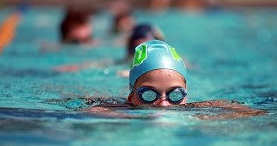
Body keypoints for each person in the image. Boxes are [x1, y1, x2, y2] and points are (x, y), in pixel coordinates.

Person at [82, 40, 265, 119]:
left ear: (186, 95)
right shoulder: (117, 110)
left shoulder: (195, 112)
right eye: (149, 94)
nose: (163, 104)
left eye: (175, 95)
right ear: (131, 97)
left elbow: (251, 113)